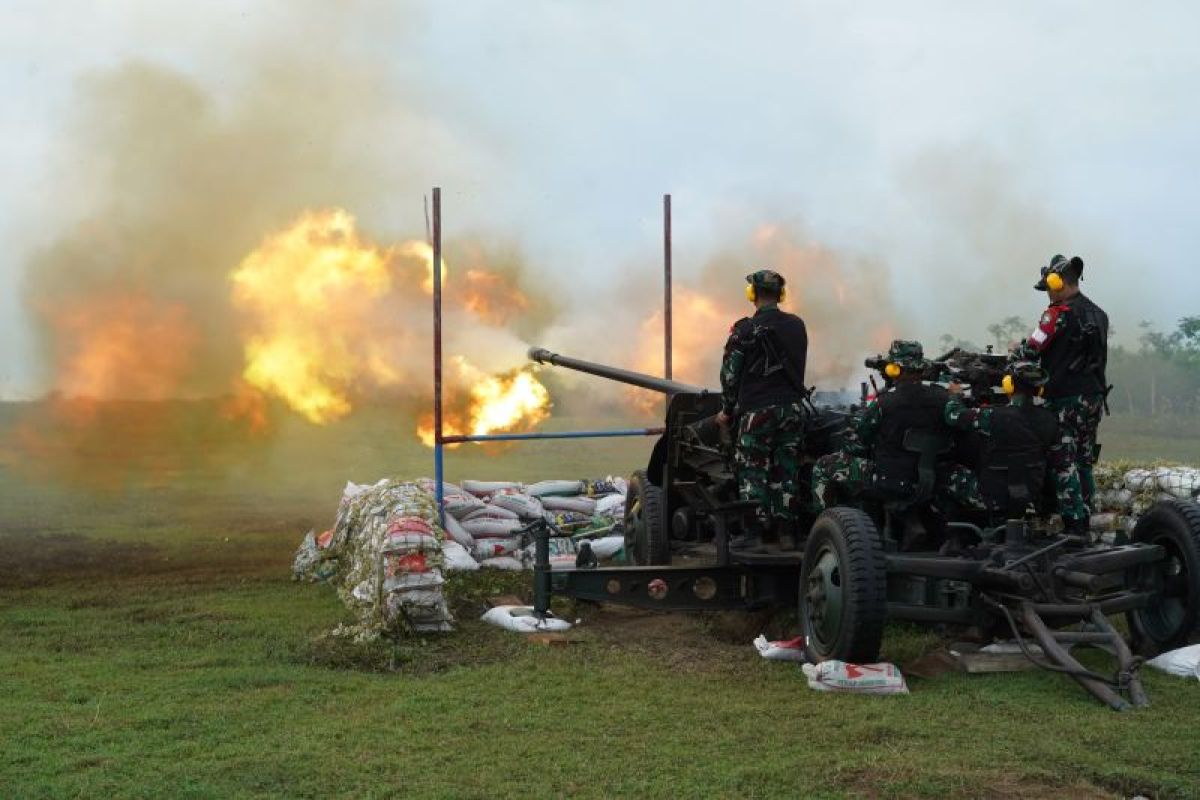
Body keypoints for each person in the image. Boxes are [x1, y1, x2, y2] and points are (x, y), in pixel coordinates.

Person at [811, 340, 982, 515]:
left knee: (823, 466)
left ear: (895, 369)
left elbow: (859, 444)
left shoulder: (884, 402)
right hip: (933, 479)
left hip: (890, 480)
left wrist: (848, 438)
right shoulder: (945, 399)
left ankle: (825, 526)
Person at [1013, 254, 1109, 530]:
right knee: (1084, 458)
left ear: (1058, 283)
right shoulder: (1099, 314)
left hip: (1065, 397)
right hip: (1094, 397)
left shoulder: (1056, 314)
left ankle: (1074, 523)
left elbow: (1031, 349)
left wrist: (1015, 355)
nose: (1048, 296)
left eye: (1048, 289)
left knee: (1062, 458)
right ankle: (1090, 514)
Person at [716, 269, 809, 550]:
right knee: (786, 470)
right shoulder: (797, 325)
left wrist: (726, 410)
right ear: (781, 294)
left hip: (757, 411)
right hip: (792, 410)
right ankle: (786, 534)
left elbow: (730, 376)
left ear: (752, 294)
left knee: (753, 470)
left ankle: (754, 533)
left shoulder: (744, 329)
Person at [944, 360, 1087, 528]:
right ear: (1039, 389)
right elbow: (1065, 470)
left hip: (990, 498)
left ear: (1009, 386)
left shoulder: (990, 416)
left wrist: (955, 395)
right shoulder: (1051, 421)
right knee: (1063, 467)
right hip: (1030, 497)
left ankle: (954, 533)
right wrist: (1075, 521)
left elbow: (952, 415)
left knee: (945, 471)